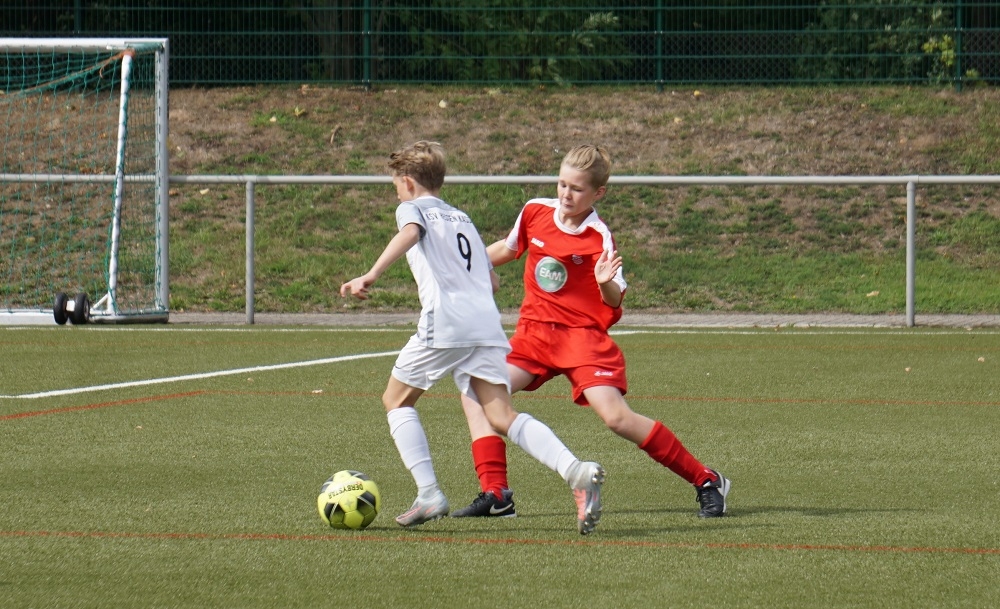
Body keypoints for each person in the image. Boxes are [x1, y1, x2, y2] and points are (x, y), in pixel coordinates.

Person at [339, 140, 605, 534]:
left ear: (408, 182)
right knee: (500, 415)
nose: (396, 193)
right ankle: (576, 471)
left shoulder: (412, 208)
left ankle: (429, 493)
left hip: (447, 321)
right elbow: (492, 280)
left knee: (396, 399)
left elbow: (410, 231)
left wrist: (371, 274)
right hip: (486, 324)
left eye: (396, 185)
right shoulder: (461, 217)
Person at [453, 144, 731, 520]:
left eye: (577, 188)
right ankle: (496, 494)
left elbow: (615, 299)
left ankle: (707, 480)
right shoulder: (535, 211)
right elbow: (508, 247)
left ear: (598, 193)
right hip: (534, 336)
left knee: (617, 418)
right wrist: (462, 264)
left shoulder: (599, 236)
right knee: (476, 392)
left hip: (581, 339)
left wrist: (603, 283)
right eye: (562, 184)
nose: (566, 194)